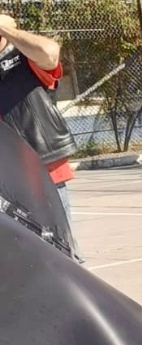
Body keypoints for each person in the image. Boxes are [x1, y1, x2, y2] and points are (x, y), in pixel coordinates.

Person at [0, 13, 77, 242]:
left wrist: (9, 31)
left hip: (41, 170)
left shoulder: (24, 56)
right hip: (4, 178)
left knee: (59, 249)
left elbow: (49, 54)